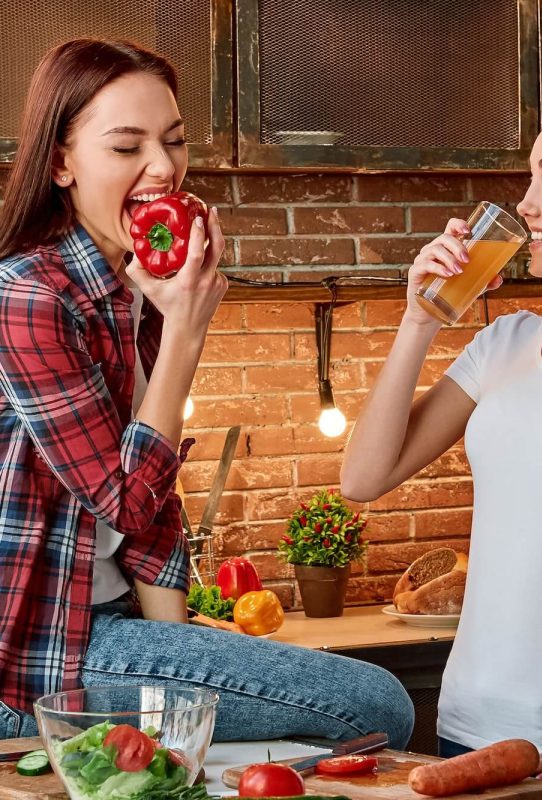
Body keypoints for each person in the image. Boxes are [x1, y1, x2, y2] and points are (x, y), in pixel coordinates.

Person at [0, 38, 414, 747]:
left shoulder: (136, 290)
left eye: (174, 141)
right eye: (127, 147)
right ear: (62, 163)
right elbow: (124, 499)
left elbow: (152, 517)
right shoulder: (28, 295)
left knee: (297, 737)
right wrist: (188, 327)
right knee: (374, 704)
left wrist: (189, 671)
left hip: (112, 626)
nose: (163, 168)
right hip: (39, 661)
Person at [341, 90, 542, 783]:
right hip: (467, 725)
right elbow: (364, 479)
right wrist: (418, 322)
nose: (527, 204)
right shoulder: (506, 342)